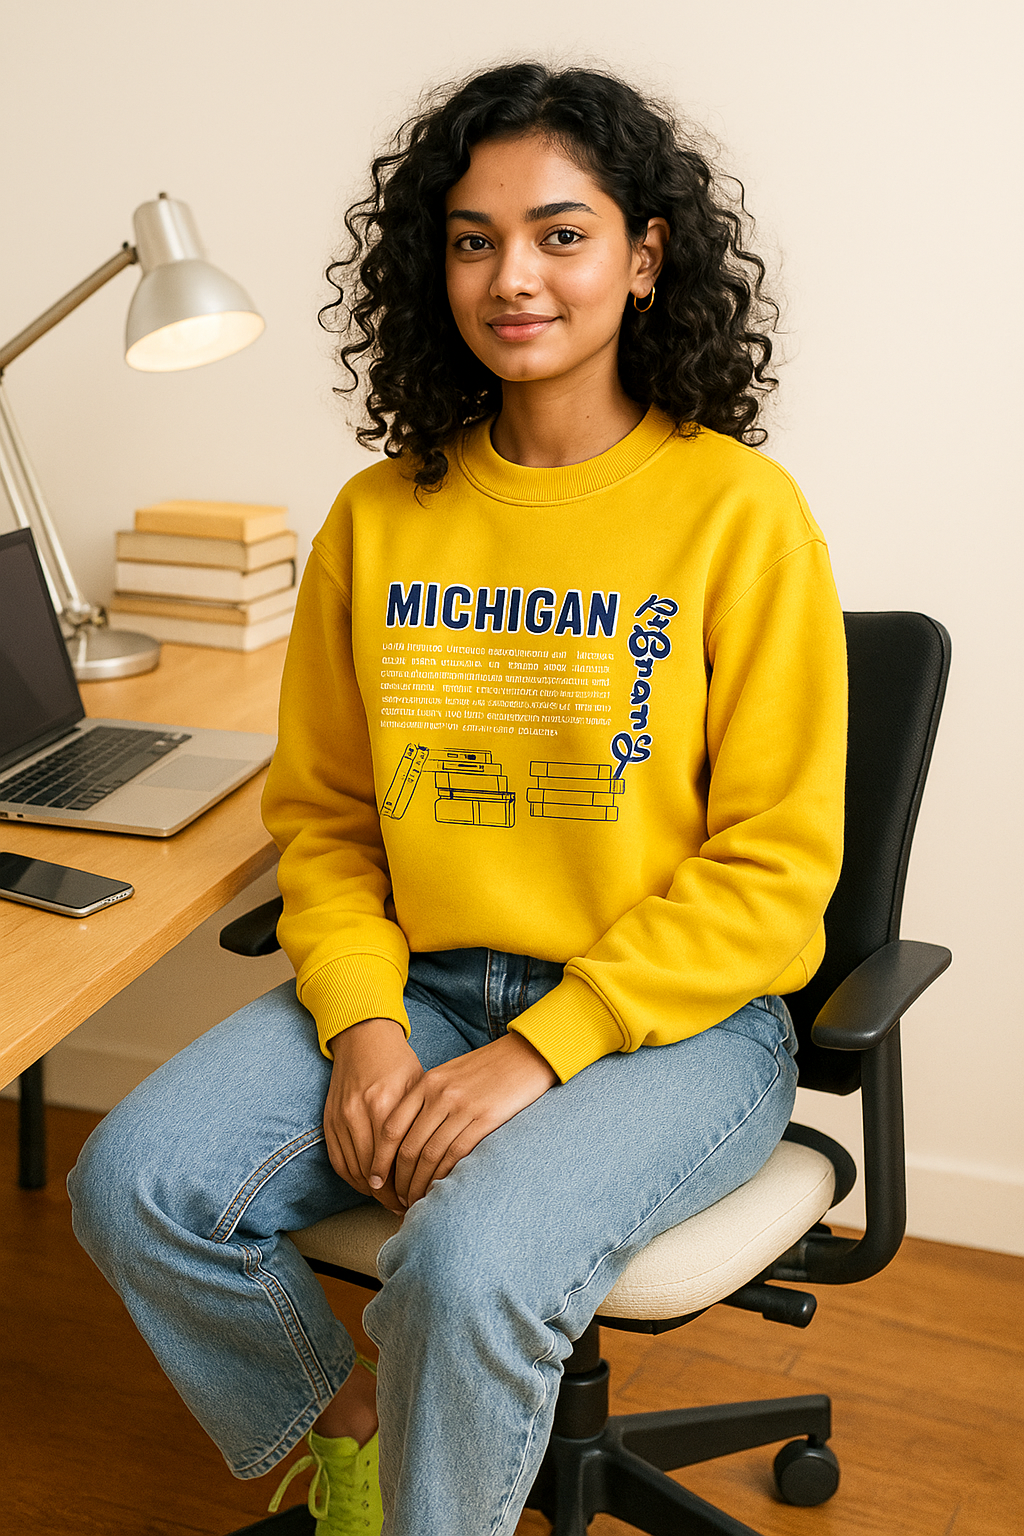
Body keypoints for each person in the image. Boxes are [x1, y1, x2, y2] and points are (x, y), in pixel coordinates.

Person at [69, 62, 847, 1536]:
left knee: (469, 1264)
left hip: (679, 1026)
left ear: (645, 256)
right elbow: (327, 823)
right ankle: (353, 1425)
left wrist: (543, 1051)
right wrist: (365, 1025)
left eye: (562, 234)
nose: (514, 277)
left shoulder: (741, 515)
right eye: (474, 240)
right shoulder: (379, 516)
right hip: (426, 988)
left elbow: (775, 867)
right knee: (136, 1184)